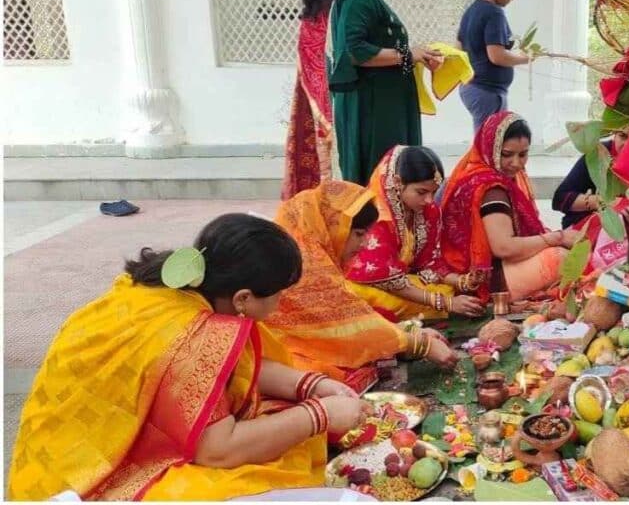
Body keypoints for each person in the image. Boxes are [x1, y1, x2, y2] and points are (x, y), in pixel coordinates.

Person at [8, 214, 372, 501]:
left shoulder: (178, 289)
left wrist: (312, 385)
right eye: (278, 294)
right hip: (92, 473)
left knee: (284, 424)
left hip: (64, 447)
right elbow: (217, 451)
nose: (281, 304)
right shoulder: (194, 333)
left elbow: (231, 366)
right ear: (244, 298)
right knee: (272, 469)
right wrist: (319, 415)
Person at [265, 180, 458, 392]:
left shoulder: (315, 253)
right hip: (281, 357)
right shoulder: (304, 263)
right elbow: (343, 328)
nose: (366, 243)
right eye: (359, 234)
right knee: (336, 378)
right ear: (333, 228)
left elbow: (349, 318)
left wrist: (406, 333)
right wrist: (420, 344)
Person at [328, 0, 443, 185]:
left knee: (392, 174)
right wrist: (408, 55)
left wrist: (417, 55)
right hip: (373, 109)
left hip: (381, 103)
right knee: (382, 176)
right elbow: (356, 50)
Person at [440, 111, 581, 301]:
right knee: (562, 258)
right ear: (490, 148)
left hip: (494, 267)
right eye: (507, 154)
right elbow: (504, 248)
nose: (516, 163)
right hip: (482, 280)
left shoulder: (486, 176)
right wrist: (557, 237)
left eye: (523, 154)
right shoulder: (491, 188)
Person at [346, 146, 485, 321]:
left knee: (445, 289)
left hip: (403, 280)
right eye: (421, 192)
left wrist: (462, 281)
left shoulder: (428, 211)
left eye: (434, 192)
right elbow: (384, 278)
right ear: (398, 182)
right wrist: (445, 303)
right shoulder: (378, 214)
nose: (429, 200)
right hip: (370, 285)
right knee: (376, 300)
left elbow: (428, 263)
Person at [282, 0, 347, 200]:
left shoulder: (315, 7)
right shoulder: (340, 5)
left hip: (319, 91)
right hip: (335, 92)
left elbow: (308, 50)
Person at [456, 0, 530, 132]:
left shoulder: (471, 10)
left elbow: (458, 47)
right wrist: (524, 58)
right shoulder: (494, 13)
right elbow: (497, 56)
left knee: (488, 140)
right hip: (487, 91)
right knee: (489, 143)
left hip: (472, 88)